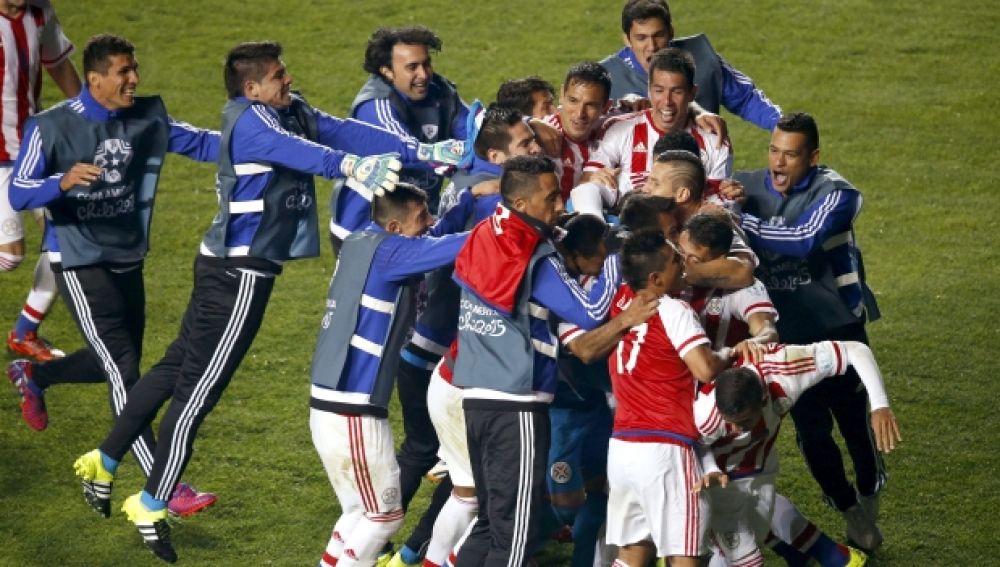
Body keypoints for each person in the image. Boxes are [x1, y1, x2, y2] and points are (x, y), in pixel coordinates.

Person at [71, 40, 457, 563]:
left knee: (179, 362)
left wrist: (420, 152)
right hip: (239, 272)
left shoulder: (283, 112)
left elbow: (345, 132)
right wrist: (347, 168)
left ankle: (106, 458)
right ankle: (154, 499)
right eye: (278, 76)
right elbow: (310, 154)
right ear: (253, 88)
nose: (289, 80)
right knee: (200, 387)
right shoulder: (255, 121)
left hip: (224, 263)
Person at [6, 33, 220, 516]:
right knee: (124, 370)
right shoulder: (50, 127)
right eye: (124, 72)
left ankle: (36, 374)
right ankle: (163, 484)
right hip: (78, 259)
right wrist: (59, 182)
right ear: (95, 79)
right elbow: (19, 192)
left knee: (115, 364)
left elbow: (202, 143)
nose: (134, 79)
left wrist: (257, 145)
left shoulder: (147, 116)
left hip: (127, 256)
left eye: (135, 69)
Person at [387, 104, 542, 567]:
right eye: (526, 144)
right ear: (496, 153)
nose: (535, 149)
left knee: (444, 466)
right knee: (456, 474)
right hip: (445, 359)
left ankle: (397, 546)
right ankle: (392, 541)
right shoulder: (491, 202)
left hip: (436, 354)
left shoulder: (467, 188)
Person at [310, 181, 493, 567]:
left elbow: (434, 239)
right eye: (420, 217)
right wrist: (508, 222)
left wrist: (465, 200)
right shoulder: (393, 253)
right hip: (353, 408)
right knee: (384, 516)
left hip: (330, 404)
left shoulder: (365, 240)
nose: (429, 222)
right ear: (394, 227)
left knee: (360, 511)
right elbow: (452, 246)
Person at [450, 155, 614, 567]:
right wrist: (613, 254)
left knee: (490, 524)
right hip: (517, 404)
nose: (559, 205)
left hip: (477, 398)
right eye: (551, 197)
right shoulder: (532, 258)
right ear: (522, 203)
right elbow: (590, 312)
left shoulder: (487, 231)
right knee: (516, 537)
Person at [733, 112, 886, 551]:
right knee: (813, 434)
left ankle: (870, 492)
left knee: (857, 430)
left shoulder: (839, 194)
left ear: (813, 158)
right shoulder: (745, 186)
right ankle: (850, 511)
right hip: (788, 339)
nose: (778, 164)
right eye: (773, 151)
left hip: (840, 329)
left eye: (791, 155)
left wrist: (742, 222)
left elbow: (802, 239)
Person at [693, 340, 901, 566]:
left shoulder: (783, 368)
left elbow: (855, 350)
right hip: (711, 479)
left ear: (763, 399)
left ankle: (814, 556)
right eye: (730, 423)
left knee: (756, 529)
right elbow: (694, 445)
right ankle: (833, 557)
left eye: (743, 422)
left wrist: (879, 405)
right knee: (738, 559)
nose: (734, 430)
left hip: (758, 468)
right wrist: (711, 470)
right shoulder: (705, 412)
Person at [606, 229, 731, 567]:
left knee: (633, 554)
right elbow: (704, 369)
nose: (684, 265)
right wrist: (730, 354)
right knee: (685, 556)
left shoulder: (621, 302)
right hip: (666, 450)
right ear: (655, 278)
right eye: (677, 261)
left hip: (622, 449)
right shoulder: (673, 309)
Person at [1, 0, 80, 362]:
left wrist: (88, 111)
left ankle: (24, 333)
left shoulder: (40, 12)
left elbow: (58, 64)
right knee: (9, 257)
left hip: (33, 148)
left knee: (66, 238)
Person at [336, 24, 470, 228]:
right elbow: (405, 149)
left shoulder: (441, 92)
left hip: (419, 218)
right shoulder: (375, 107)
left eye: (427, 64)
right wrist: (460, 159)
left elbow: (476, 135)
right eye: (412, 67)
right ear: (387, 71)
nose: (424, 75)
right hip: (367, 228)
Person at [578, 48, 732, 212]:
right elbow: (585, 187)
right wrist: (594, 180)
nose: (667, 102)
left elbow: (719, 207)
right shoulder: (619, 129)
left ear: (692, 93)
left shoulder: (714, 141)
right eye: (659, 91)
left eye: (677, 92)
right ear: (649, 90)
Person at [599, 0, 781, 131]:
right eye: (641, 38)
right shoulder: (603, 77)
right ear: (627, 40)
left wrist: (785, 128)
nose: (652, 47)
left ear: (671, 32)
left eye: (658, 35)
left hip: (703, 172)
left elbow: (746, 99)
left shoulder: (702, 59)